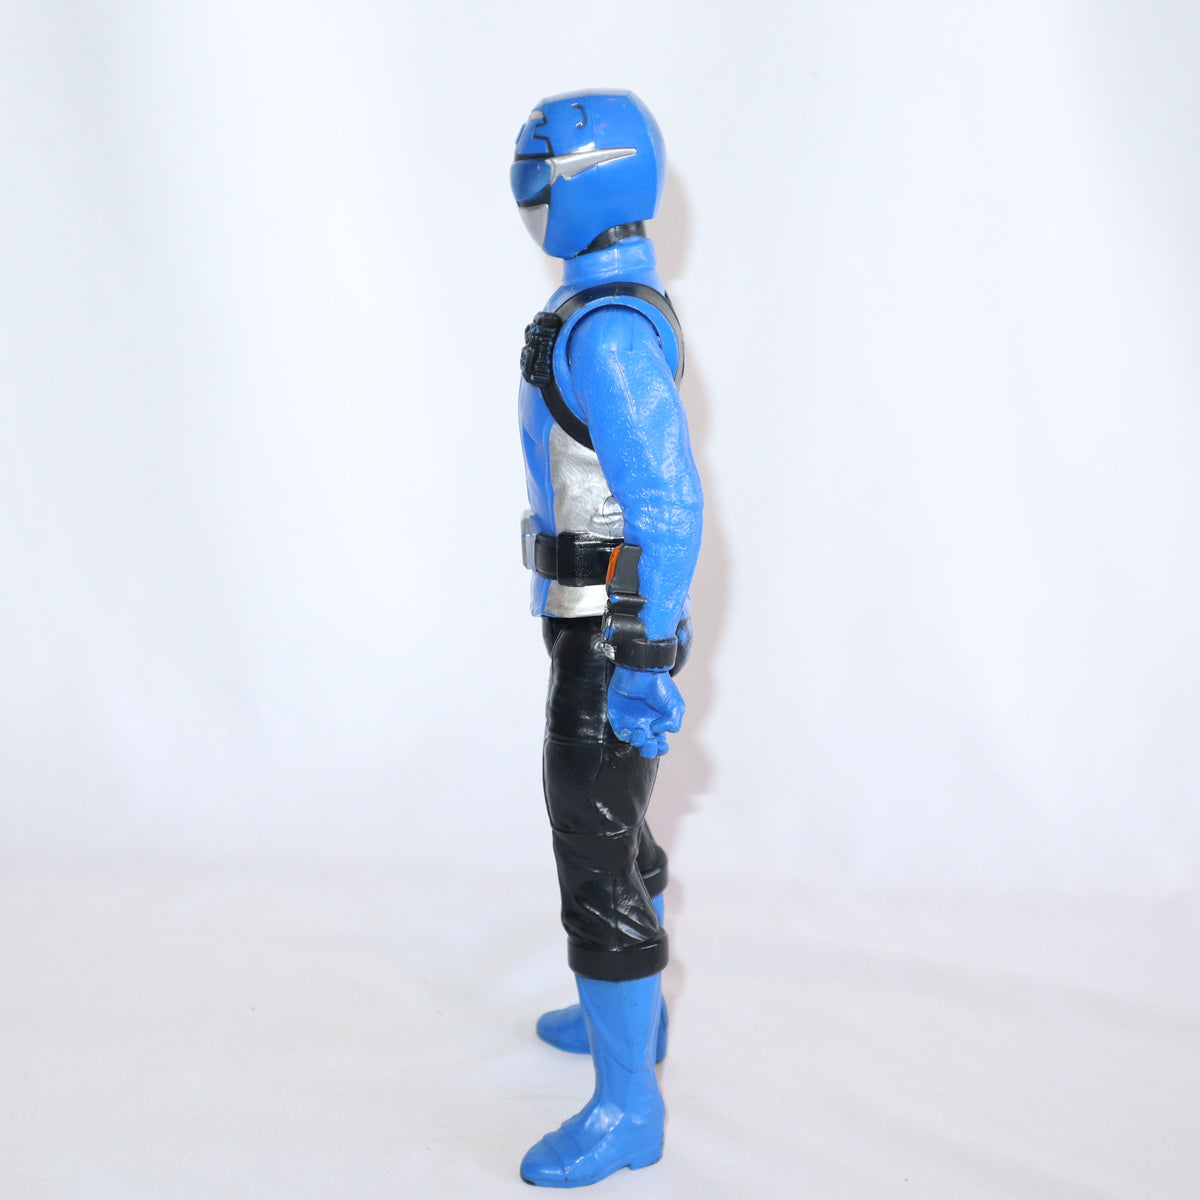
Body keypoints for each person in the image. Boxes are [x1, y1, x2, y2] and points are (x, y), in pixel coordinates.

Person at [511, 89, 703, 1187]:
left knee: (591, 845)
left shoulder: (612, 331)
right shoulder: (599, 309)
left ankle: (630, 1107)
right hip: (592, 622)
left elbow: (669, 507)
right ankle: (637, 1018)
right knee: (617, 825)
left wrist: (641, 655)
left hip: (609, 633)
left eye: (540, 177)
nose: (529, 197)